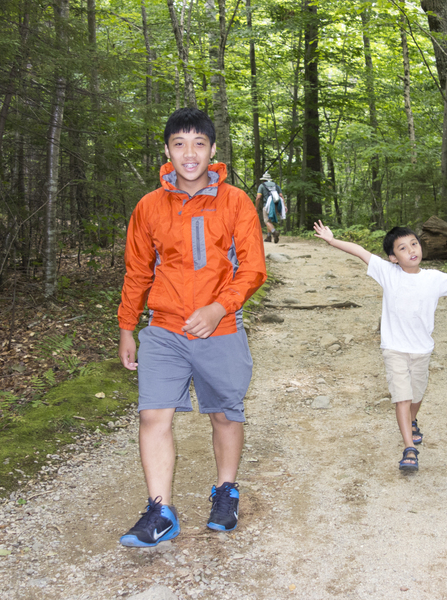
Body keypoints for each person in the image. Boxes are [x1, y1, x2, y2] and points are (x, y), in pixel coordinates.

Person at [116, 108, 266, 547]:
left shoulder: (235, 202)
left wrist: (219, 308)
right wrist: (127, 326)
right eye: (179, 144)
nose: (189, 153)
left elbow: (253, 268)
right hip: (164, 329)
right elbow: (137, 271)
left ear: (212, 149)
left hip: (221, 329)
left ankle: (226, 491)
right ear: (167, 150)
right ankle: (160, 511)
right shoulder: (149, 206)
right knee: (153, 415)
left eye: (199, 143)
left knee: (224, 413)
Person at [312, 220, 447, 472]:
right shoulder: (387, 272)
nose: (411, 250)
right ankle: (409, 448)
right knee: (402, 397)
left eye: (414, 244)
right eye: (402, 248)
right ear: (393, 257)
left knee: (416, 395)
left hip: (422, 350)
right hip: (394, 349)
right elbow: (359, 251)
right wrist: (332, 240)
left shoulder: (434, 278)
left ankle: (412, 420)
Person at [256, 172, 286, 244]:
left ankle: (274, 232)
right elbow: (281, 196)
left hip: (267, 205)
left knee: (266, 221)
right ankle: (268, 237)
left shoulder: (262, 186)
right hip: (276, 205)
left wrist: (256, 207)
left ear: (264, 180)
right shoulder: (276, 185)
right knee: (269, 221)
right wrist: (284, 206)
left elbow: (258, 197)